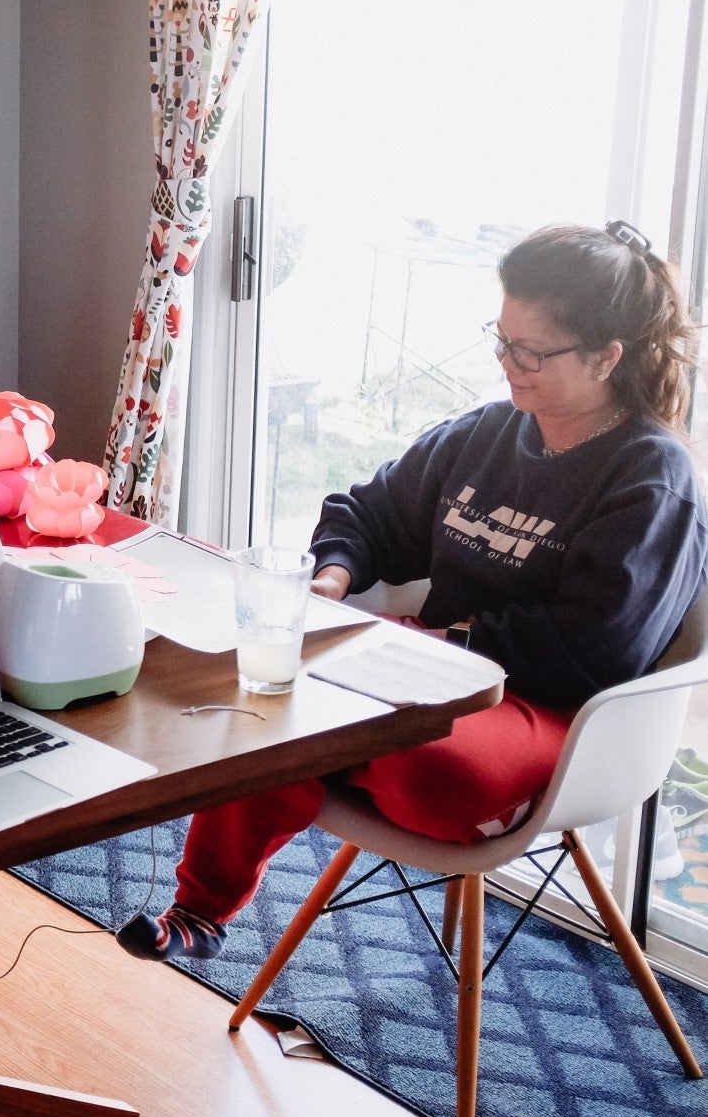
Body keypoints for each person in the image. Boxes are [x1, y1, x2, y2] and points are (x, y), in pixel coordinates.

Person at [120, 221, 707, 962]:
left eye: (529, 351)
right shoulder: (489, 432)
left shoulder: (651, 478)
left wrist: (452, 640)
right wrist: (332, 577)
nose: (506, 364)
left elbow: (593, 648)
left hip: (549, 710)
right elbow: (366, 513)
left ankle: (316, 752)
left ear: (607, 358)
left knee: (415, 768)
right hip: (420, 673)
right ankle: (199, 908)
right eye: (501, 338)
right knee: (266, 693)